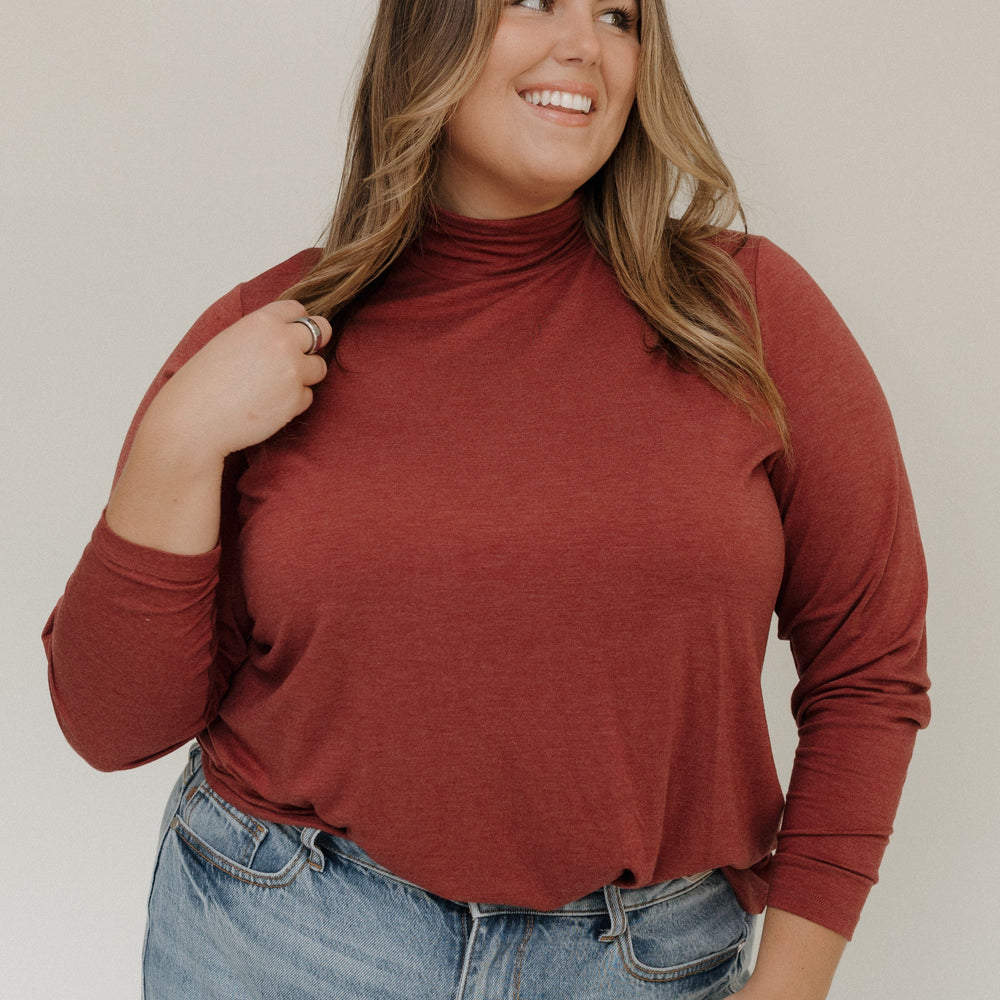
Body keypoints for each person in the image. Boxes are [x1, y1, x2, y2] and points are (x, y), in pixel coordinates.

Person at [43, 0, 930, 997]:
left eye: (618, 16)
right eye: (533, 4)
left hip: (637, 966)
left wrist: (790, 987)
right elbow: (110, 724)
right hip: (283, 936)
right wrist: (173, 445)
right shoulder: (274, 335)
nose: (584, 46)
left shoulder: (748, 315)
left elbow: (868, 674)